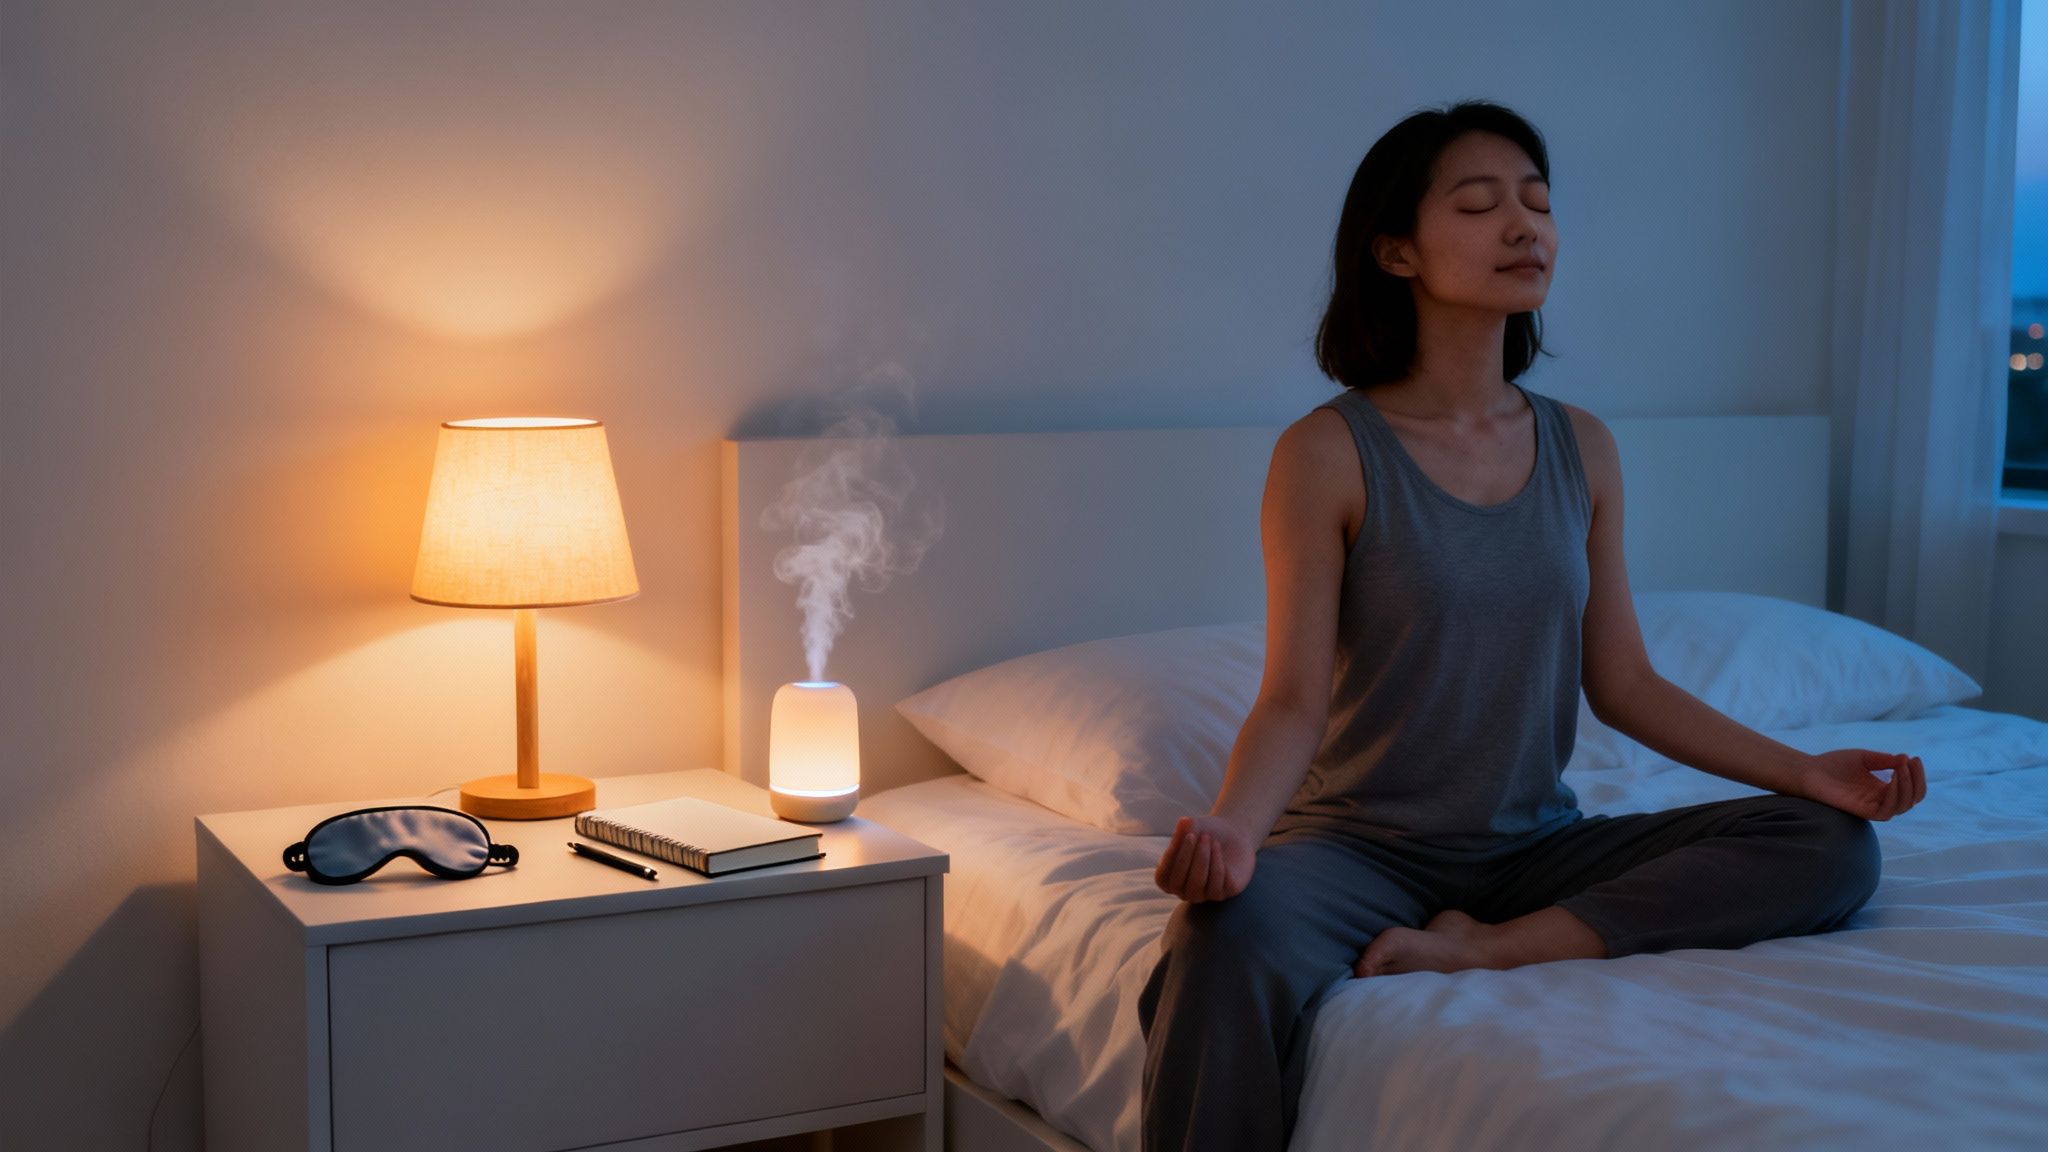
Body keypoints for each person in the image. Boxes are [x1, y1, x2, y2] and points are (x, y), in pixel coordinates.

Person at [1135, 99, 1921, 1152]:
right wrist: (1233, 828)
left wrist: (1803, 772)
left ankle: (1489, 951)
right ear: (1396, 250)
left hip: (1529, 854)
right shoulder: (1326, 452)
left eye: (1537, 204)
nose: (1524, 227)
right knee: (1220, 937)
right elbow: (1291, 699)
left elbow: (1625, 686)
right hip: (1358, 850)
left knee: (1831, 848)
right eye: (1479, 204)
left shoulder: (1579, 446)